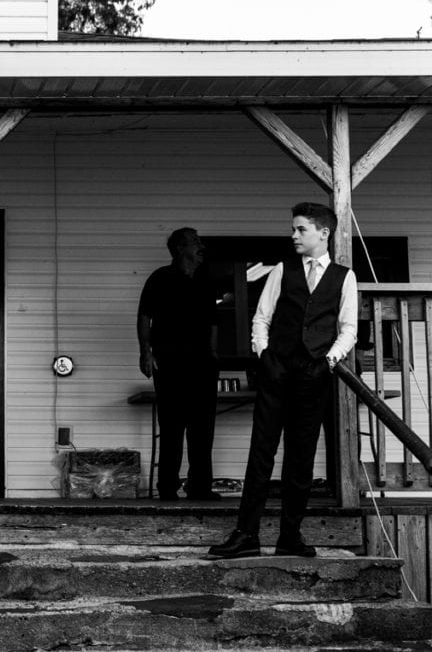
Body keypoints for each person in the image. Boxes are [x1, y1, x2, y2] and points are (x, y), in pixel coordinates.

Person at [209, 202, 357, 559]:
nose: (293, 235)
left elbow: (349, 328)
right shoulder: (282, 270)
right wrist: (264, 354)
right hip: (277, 370)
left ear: (324, 233)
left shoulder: (344, 277)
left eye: (300, 229)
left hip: (314, 374)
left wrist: (328, 361)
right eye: (293, 229)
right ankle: (247, 534)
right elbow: (262, 318)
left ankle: (290, 535)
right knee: (262, 452)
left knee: (301, 457)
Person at [137, 227, 220, 501]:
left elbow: (213, 322)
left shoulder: (206, 279)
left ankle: (200, 487)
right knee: (172, 426)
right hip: (170, 362)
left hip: (202, 364)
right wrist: (145, 353)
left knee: (203, 428)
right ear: (180, 248)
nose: (200, 247)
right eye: (195, 242)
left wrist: (213, 355)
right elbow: (144, 317)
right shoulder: (161, 278)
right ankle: (167, 489)